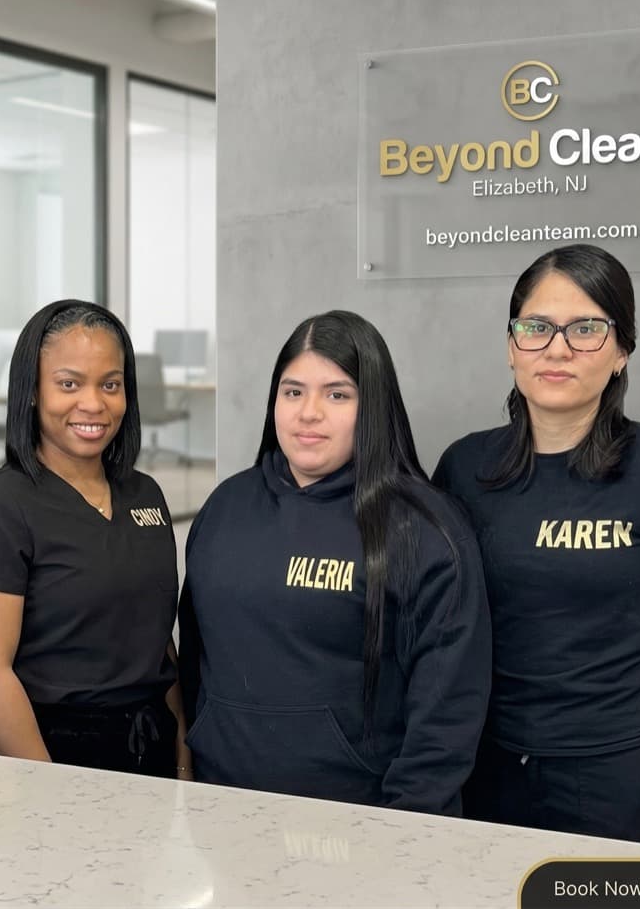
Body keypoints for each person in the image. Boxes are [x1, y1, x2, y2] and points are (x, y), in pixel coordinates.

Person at [433, 243, 640, 847]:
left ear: (622, 350)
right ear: (511, 345)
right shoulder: (465, 467)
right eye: (537, 327)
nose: (557, 348)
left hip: (624, 773)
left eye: (586, 329)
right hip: (489, 767)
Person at [178, 310, 490, 813]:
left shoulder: (423, 528)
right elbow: (196, 660)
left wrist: (407, 831)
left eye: (337, 394)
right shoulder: (224, 508)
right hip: (223, 813)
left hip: (359, 824)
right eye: (293, 391)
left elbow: (448, 711)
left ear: (373, 406)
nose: (309, 412)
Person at [0, 299, 188, 777]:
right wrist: (50, 788)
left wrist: (183, 756)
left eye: (111, 385)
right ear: (34, 391)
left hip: (152, 747)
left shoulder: (145, 493)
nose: (94, 404)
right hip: (54, 753)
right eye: (69, 384)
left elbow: (160, 643)